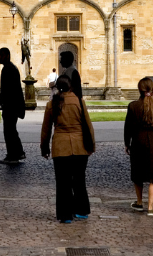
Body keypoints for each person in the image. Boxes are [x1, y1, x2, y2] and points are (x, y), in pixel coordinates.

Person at [41, 75, 96, 223]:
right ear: (70, 86)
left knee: (63, 183)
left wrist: (44, 148)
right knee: (79, 180)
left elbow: (46, 129)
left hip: (61, 146)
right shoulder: (79, 101)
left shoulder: (52, 104)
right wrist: (92, 145)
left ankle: (65, 215)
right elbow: (88, 125)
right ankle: (82, 210)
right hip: (80, 146)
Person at [124, 77, 153, 216]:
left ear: (140, 89)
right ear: (152, 89)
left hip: (138, 140)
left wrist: (127, 143)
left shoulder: (133, 106)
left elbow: (128, 128)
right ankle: (150, 207)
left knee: (138, 173)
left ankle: (139, 202)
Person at [0, 47, 26, 165]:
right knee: (11, 130)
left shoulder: (9, 69)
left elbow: (9, 90)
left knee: (9, 131)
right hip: (11, 105)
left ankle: (12, 155)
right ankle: (18, 152)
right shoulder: (10, 68)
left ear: (7, 55)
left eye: (1, 55)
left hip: (11, 106)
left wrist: (2, 101)